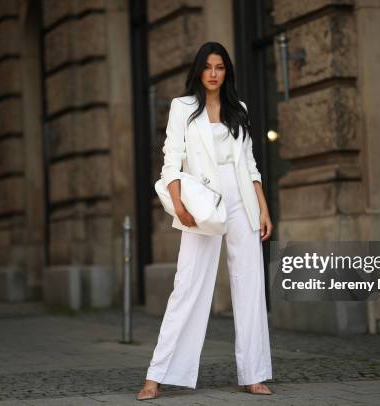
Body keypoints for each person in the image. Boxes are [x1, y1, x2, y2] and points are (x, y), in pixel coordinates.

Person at [137, 41, 274, 400]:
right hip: (201, 203)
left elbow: (250, 164)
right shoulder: (182, 108)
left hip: (241, 199)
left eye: (220, 68)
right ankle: (157, 375)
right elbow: (172, 159)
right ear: (199, 70)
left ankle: (254, 373)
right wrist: (180, 207)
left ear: (226, 72)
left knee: (250, 285)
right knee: (188, 285)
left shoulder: (239, 109)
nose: (214, 74)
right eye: (208, 67)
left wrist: (263, 208)